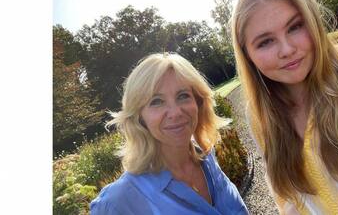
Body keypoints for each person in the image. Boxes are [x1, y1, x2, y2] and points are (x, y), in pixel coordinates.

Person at [231, 0, 338, 214]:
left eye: (294, 27)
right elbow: (289, 200)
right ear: (248, 55)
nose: (287, 49)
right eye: (265, 42)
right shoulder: (259, 116)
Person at [90, 53, 249, 215]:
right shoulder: (120, 201)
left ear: (198, 102)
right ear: (139, 117)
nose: (175, 113)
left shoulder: (207, 157)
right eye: (156, 101)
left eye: (183, 96)